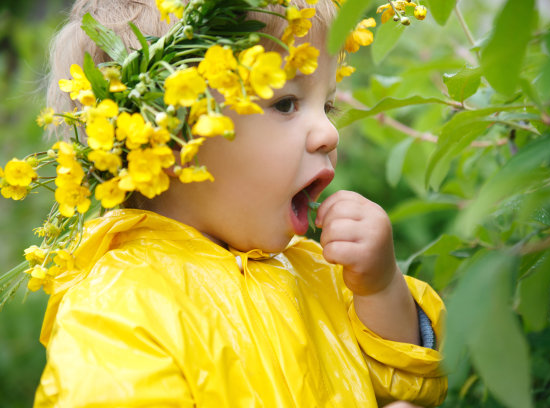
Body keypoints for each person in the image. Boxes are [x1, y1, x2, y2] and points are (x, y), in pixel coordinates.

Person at [29, 0, 447, 406]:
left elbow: (410, 384)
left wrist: (380, 287)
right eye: (285, 104)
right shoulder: (121, 309)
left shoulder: (318, 272)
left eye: (328, 104)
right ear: (172, 142)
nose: (328, 133)